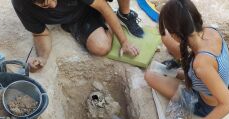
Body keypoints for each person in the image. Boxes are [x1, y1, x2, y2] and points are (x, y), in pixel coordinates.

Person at [144, 0, 229, 119]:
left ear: (177, 36)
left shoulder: (201, 65)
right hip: (214, 82)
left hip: (204, 104)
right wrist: (181, 69)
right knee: (165, 38)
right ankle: (178, 70)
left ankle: (178, 72)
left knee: (149, 76)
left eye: (173, 34)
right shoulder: (211, 31)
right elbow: (206, 66)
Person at [12, 0, 143, 72]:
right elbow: (40, 33)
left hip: (94, 4)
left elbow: (103, 7)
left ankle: (123, 14)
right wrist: (43, 57)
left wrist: (124, 41)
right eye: (43, 4)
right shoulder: (21, 4)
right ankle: (106, 22)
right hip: (78, 16)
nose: (52, 4)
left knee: (103, 8)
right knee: (100, 47)